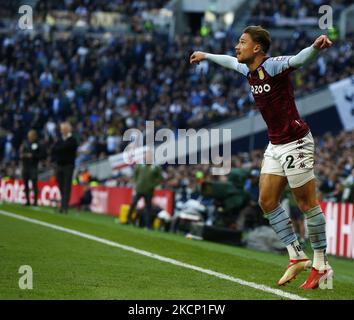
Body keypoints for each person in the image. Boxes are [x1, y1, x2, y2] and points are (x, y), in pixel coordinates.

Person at [190, 26, 333, 289]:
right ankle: (296, 256)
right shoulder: (248, 70)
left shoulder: (274, 66)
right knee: (267, 201)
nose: (237, 46)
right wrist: (206, 55)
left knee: (307, 204)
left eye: (242, 42)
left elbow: (299, 59)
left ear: (257, 48)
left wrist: (315, 47)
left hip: (296, 142)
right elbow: (230, 62)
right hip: (275, 144)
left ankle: (322, 265)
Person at [127, 151, 163, 229]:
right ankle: (128, 220)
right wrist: (137, 182)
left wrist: (153, 185)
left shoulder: (155, 167)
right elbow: (135, 174)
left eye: (148, 156)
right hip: (139, 189)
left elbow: (160, 178)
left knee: (148, 208)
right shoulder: (140, 165)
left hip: (149, 191)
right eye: (146, 156)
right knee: (133, 204)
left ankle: (148, 225)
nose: (146, 158)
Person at [52, 122, 78, 214]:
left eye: (63, 129)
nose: (61, 130)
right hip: (59, 165)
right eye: (61, 129)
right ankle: (63, 204)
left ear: (67, 129)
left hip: (68, 166)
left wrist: (60, 148)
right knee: (61, 185)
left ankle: (64, 207)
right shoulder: (60, 139)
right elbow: (54, 149)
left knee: (67, 186)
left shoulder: (72, 140)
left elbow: (65, 148)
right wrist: (60, 148)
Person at [20, 129, 46, 206]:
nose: (30, 137)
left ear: (35, 136)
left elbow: (42, 155)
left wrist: (33, 156)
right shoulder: (25, 143)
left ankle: (35, 202)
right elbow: (21, 153)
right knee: (26, 184)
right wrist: (22, 154)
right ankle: (27, 201)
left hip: (33, 166)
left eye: (31, 136)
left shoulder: (38, 144)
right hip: (25, 166)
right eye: (29, 136)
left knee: (34, 184)